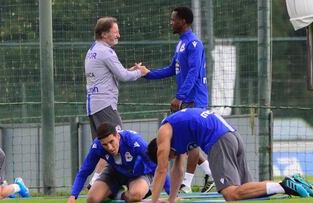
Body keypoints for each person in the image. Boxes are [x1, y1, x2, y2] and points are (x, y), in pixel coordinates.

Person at [147, 108, 313, 202]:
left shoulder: (164, 131)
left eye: (167, 156)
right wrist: (170, 200)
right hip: (232, 135)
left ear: (160, 149)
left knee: (230, 194)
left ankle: (284, 185)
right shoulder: (177, 136)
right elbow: (178, 169)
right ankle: (298, 184)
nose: (171, 157)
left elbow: (162, 170)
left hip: (218, 141)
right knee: (250, 192)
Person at [141, 6, 213, 193]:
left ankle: (187, 185)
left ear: (184, 21)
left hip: (195, 99)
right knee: (183, 139)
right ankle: (209, 173)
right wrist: (148, 74)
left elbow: (193, 73)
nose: (171, 22)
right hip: (185, 98)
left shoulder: (194, 44)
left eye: (173, 19)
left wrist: (180, 97)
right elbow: (173, 69)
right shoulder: (181, 43)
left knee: (192, 140)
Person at [85, 16, 150, 188]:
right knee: (117, 142)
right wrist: (140, 73)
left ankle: (94, 183)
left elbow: (113, 74)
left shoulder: (93, 49)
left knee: (103, 146)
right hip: (105, 105)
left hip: (94, 105)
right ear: (105, 34)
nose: (118, 35)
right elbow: (122, 76)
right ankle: (126, 180)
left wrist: (130, 71)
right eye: (115, 32)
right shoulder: (106, 52)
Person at [67, 123, 170, 203]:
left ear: (118, 136)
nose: (110, 148)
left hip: (138, 172)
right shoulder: (97, 147)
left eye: (111, 142)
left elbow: (158, 165)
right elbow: (84, 171)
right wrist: (73, 196)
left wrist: (170, 191)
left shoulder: (134, 141)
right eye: (105, 144)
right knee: (92, 199)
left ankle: (122, 194)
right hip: (115, 170)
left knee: (136, 194)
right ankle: (117, 191)